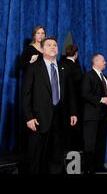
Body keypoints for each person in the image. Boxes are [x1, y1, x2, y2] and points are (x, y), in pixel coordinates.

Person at [22, 37, 77, 174]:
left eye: (55, 45)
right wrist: (29, 117)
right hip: (39, 119)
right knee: (37, 157)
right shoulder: (34, 67)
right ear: (42, 49)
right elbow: (26, 94)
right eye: (49, 45)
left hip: (60, 117)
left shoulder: (64, 68)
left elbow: (70, 93)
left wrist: (73, 112)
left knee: (56, 155)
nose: (53, 47)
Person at [81, 54, 107, 173]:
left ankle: (99, 165)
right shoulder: (88, 75)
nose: (105, 63)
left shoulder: (104, 76)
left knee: (101, 142)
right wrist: (100, 99)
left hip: (103, 115)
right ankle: (89, 169)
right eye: (103, 60)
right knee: (90, 143)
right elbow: (85, 93)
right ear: (96, 62)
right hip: (91, 116)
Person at [60, 44, 83, 151]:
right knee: (73, 136)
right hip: (75, 105)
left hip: (61, 105)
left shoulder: (60, 64)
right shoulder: (76, 68)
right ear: (76, 54)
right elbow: (78, 88)